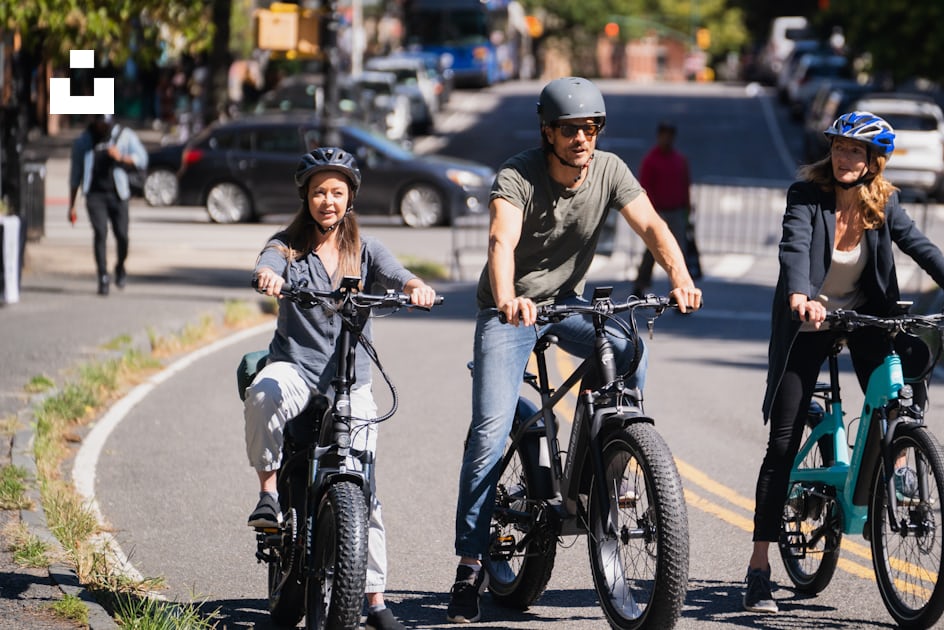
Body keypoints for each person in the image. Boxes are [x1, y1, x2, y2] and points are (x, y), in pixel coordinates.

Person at [445, 77, 703, 624]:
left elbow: (653, 225)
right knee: (490, 432)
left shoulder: (609, 170)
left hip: (565, 304)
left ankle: (609, 454)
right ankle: (470, 564)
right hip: (509, 310)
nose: (581, 138)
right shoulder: (517, 175)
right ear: (548, 132)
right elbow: (501, 240)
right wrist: (508, 297)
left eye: (590, 128)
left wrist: (680, 278)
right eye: (569, 129)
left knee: (628, 348)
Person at [743, 111, 944, 613]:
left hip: (863, 319)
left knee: (901, 382)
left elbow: (922, 248)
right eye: (839, 147)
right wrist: (800, 297)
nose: (844, 157)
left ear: (874, 161)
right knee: (783, 444)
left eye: (855, 151)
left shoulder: (885, 203)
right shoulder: (806, 196)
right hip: (809, 323)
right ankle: (758, 567)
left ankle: (898, 457)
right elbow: (794, 248)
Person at [244, 147, 436, 630]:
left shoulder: (365, 249)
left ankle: (374, 599)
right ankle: (269, 496)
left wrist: (415, 287)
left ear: (350, 197)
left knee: (364, 487)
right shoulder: (287, 245)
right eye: (318, 192)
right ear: (306, 198)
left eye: (336, 192)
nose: (327, 201)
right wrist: (268, 275)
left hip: (351, 382)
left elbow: (398, 273)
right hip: (295, 370)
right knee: (263, 392)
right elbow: (268, 261)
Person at [68, 113, 148, 295]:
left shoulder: (124, 136)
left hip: (118, 194)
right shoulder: (83, 142)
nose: (103, 126)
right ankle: (103, 276)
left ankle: (120, 266)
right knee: (100, 233)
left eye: (106, 123)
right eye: (100, 123)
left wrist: (121, 157)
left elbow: (142, 158)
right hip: (94, 195)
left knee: (122, 236)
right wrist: (72, 205)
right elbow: (75, 175)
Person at [632, 120, 701, 297]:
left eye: (670, 136)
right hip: (657, 212)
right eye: (664, 135)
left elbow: (685, 185)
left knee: (679, 253)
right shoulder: (651, 160)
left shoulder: (679, 160)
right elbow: (644, 188)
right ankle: (641, 284)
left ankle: (681, 291)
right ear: (659, 136)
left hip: (676, 212)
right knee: (652, 252)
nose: (667, 139)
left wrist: (687, 210)